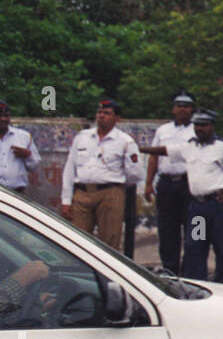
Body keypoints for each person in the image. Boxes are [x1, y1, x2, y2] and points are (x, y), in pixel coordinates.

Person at [141, 108, 223, 283]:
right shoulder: (189, 146)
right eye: (197, 125)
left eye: (204, 125)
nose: (200, 128)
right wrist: (140, 148)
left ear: (212, 126)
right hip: (198, 209)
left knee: (221, 247)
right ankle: (196, 283)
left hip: (218, 207)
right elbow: (164, 150)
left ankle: (222, 284)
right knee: (196, 247)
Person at [60, 99, 144, 250]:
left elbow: (135, 173)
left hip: (110, 194)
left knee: (109, 241)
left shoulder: (125, 141)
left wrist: (117, 186)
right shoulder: (82, 137)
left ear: (117, 118)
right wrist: (66, 200)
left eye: (107, 113)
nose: (101, 116)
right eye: (99, 112)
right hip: (82, 193)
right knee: (77, 241)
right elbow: (69, 169)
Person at [144, 91, 196, 273]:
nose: (182, 109)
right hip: (166, 184)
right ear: (173, 109)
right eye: (179, 106)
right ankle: (170, 269)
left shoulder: (198, 129)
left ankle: (192, 269)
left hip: (190, 185)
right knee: (167, 230)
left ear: (192, 110)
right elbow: (153, 157)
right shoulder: (163, 130)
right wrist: (148, 183)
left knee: (195, 229)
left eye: (186, 106)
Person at [0, 101, 41, 195]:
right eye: (0, 116)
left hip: (16, 194)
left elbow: (35, 167)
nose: (3, 119)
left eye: (6, 116)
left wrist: (27, 155)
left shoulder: (24, 137)